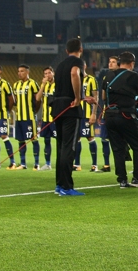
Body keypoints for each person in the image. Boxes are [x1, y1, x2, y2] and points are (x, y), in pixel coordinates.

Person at [95, 52, 138, 188]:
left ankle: (122, 180)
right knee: (137, 145)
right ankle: (137, 178)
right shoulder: (133, 75)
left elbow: (103, 97)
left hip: (110, 116)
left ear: (119, 62)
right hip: (126, 114)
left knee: (117, 148)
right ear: (132, 63)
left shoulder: (108, 76)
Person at [51, 38, 90, 196]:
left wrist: (84, 97)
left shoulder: (59, 65)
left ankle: (59, 185)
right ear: (80, 49)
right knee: (69, 147)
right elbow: (74, 74)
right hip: (70, 109)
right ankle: (67, 187)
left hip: (57, 107)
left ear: (67, 51)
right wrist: (78, 97)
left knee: (61, 147)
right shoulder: (78, 62)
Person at [11, 65, 40, 170]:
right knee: (20, 140)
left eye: (22, 71)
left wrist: (34, 111)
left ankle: (36, 164)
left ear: (27, 72)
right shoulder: (16, 85)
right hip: (19, 117)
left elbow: (38, 100)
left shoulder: (33, 83)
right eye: (18, 71)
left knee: (33, 139)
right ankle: (23, 164)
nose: (19, 73)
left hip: (30, 117)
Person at [95, 57, 117, 173]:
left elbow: (104, 96)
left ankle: (109, 165)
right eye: (109, 62)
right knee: (105, 139)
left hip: (112, 112)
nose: (110, 64)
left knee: (109, 139)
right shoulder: (105, 77)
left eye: (113, 62)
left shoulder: (106, 77)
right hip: (109, 112)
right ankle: (107, 165)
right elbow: (102, 97)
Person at [75, 72, 99, 172]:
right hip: (76, 113)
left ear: (84, 67)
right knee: (77, 138)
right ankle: (77, 164)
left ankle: (94, 165)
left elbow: (96, 97)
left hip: (87, 114)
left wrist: (93, 113)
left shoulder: (91, 79)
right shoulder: (74, 79)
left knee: (90, 137)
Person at [35, 67, 56, 170]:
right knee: (46, 140)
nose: (47, 75)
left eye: (49, 73)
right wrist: (42, 85)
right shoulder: (45, 85)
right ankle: (48, 164)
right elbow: (38, 98)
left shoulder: (58, 85)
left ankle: (62, 162)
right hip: (45, 118)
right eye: (45, 73)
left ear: (53, 73)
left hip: (55, 118)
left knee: (60, 141)